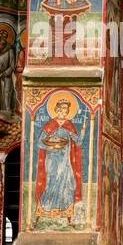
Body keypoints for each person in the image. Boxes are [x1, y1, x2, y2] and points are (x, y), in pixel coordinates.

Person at [34, 96, 84, 226]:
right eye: (62, 109)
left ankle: (68, 217)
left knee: (67, 186)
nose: (65, 112)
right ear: (56, 109)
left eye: (67, 109)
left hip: (66, 162)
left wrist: (82, 132)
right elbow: (40, 143)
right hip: (52, 161)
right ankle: (40, 215)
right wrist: (51, 145)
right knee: (51, 184)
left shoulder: (69, 125)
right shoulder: (50, 125)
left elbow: (78, 142)